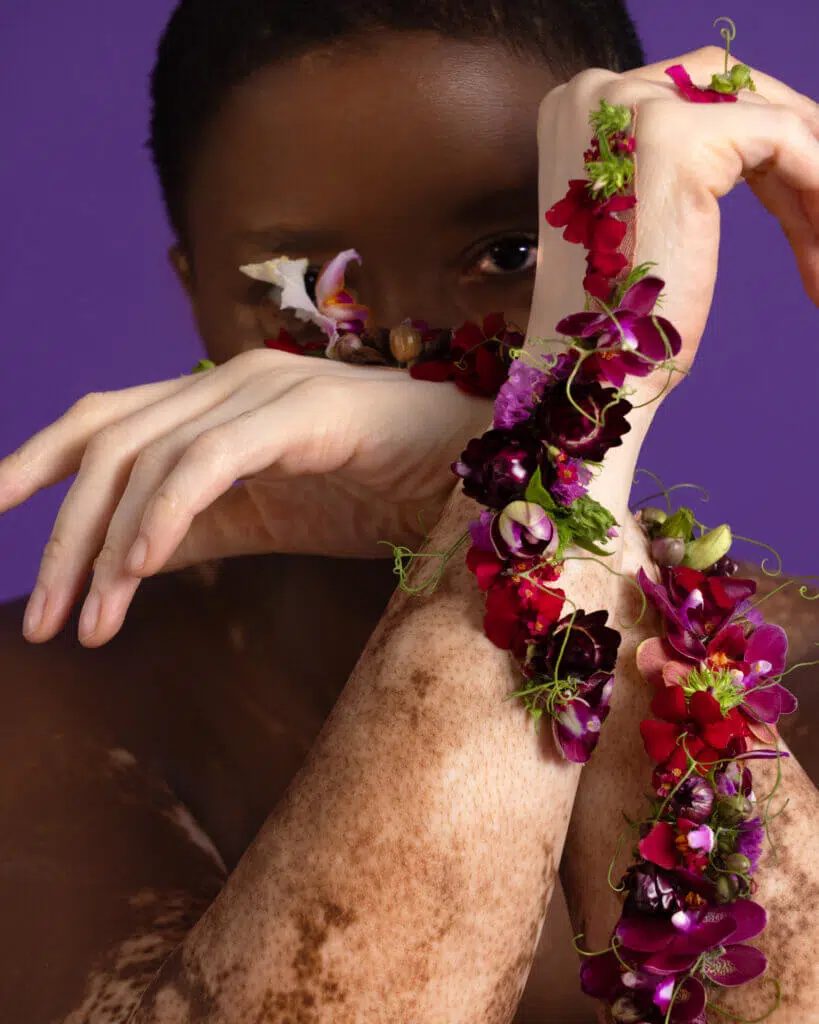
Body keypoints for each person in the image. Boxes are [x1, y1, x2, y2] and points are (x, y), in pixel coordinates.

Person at [0, 1, 817, 1021]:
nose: (397, 344)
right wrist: (545, 437)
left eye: (515, 254)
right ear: (198, 291)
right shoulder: (38, 708)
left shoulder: (806, 665)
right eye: (303, 283)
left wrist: (556, 424)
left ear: (634, 254)